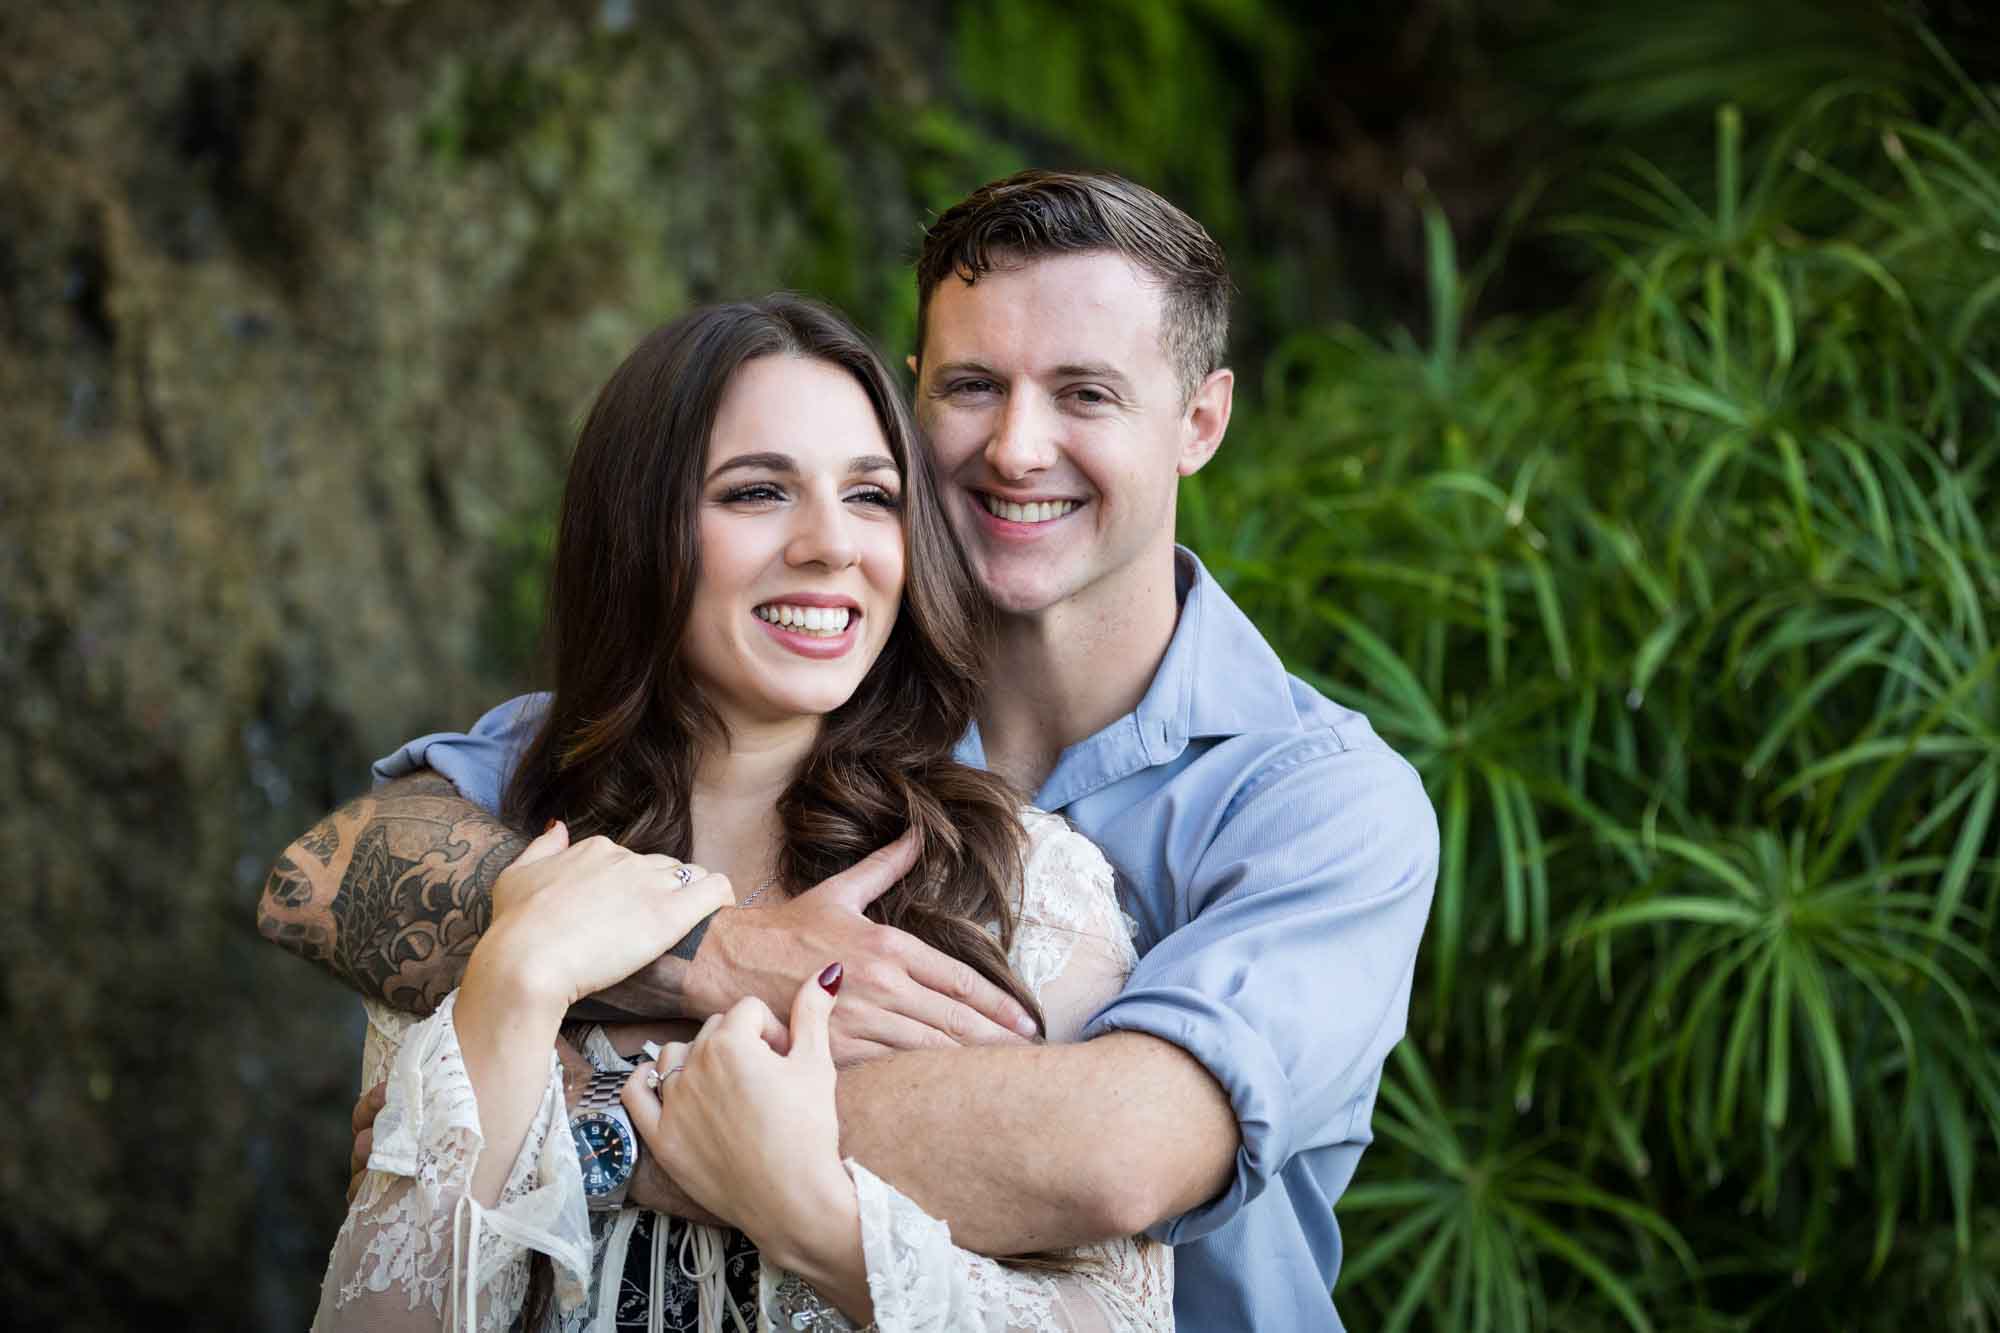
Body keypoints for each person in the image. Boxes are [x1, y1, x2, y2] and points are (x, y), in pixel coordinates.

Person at [262, 170, 1438, 1328]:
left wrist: (561, 1117)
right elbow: (324, 880)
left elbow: (1114, 1155)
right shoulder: (770, 694)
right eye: (974, 385)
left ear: (1199, 421)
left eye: (1085, 394)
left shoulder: (1323, 802)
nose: (1018, 448)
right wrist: (709, 951)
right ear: (916, 394)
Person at [306, 296, 1173, 1331]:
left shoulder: (1023, 883)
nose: (828, 545)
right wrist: (516, 983)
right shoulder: (507, 863)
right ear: (639, 528)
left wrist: (800, 1211)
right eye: (757, 491)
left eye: (870, 496)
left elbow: (1114, 1314)